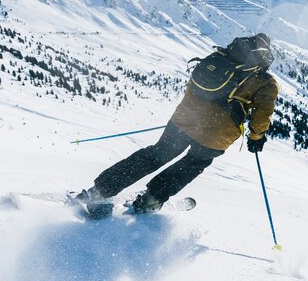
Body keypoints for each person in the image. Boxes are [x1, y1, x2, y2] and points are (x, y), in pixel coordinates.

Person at [75, 33, 279, 217]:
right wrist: (256, 138)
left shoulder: (221, 59)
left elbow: (196, 86)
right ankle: (151, 200)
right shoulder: (265, 81)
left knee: (155, 154)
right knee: (190, 165)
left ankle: (100, 191)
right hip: (216, 135)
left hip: (185, 119)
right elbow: (262, 114)